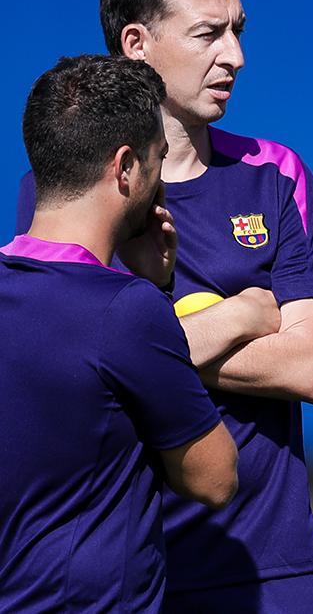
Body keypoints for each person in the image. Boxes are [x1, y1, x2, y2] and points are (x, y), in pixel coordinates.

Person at [15, 0, 313, 610]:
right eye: (209, 33)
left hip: (271, 566)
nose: (236, 56)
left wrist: (149, 343)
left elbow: (312, 365)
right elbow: (75, 358)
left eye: (238, 31)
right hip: (124, 575)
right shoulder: (63, 188)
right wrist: (240, 313)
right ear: (136, 42)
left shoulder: (276, 175)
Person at [0, 54, 238, 612]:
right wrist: (162, 294)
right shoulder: (126, 310)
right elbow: (215, 478)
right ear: (126, 166)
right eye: (159, 159)